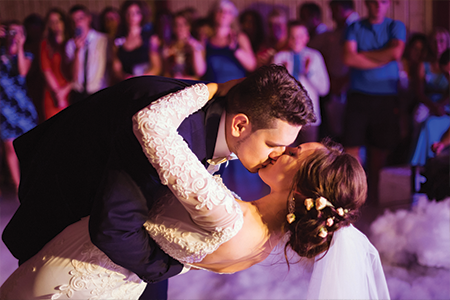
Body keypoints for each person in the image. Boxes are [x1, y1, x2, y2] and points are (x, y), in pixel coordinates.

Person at [1, 75, 389, 300]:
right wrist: (164, 267)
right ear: (240, 126)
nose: (278, 153)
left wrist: (212, 87)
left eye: (288, 151)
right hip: (67, 212)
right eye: (278, 145)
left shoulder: (229, 206)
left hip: (111, 272)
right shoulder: (263, 234)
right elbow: (114, 224)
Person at [342, 0, 406, 204]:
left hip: (386, 96)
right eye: (374, 1)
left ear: (388, 4)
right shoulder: (355, 27)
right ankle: (356, 196)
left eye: (383, 1)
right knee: (352, 148)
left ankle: (376, 196)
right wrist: (382, 57)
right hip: (358, 95)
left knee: (379, 150)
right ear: (367, 4)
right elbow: (349, 58)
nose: (378, 5)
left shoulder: (396, 26)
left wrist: (362, 55)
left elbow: (396, 52)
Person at [308, 0, 359, 142]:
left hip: (351, 85)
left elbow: (357, 59)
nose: (331, 16)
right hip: (335, 86)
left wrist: (345, 80)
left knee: (352, 134)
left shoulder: (357, 28)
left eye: (332, 11)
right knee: (338, 132)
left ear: (339, 8)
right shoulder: (336, 31)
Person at [274, 21, 330, 143]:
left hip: (309, 117)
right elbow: (273, 90)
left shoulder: (314, 57)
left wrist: (309, 73)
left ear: (307, 38)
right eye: (292, 36)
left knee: (307, 155)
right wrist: (286, 74)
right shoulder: (280, 57)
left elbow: (324, 89)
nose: (296, 40)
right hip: (285, 116)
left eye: (300, 36)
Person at [0, 20, 38, 192]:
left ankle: (32, 181)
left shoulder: (26, 55)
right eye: (10, 32)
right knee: (9, 147)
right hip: (4, 107)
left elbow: (22, 72)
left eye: (17, 32)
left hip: (22, 106)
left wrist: (20, 46)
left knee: (30, 145)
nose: (13, 36)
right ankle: (18, 188)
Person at [202, 0, 256, 83]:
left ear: (233, 16)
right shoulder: (206, 38)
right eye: (220, 10)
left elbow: (252, 65)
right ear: (214, 14)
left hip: (236, 88)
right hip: (212, 88)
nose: (224, 14)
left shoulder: (240, 37)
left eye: (228, 12)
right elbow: (200, 70)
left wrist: (235, 49)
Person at [66, 4, 108, 104]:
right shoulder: (70, 44)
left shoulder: (103, 40)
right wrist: (77, 51)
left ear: (88, 19)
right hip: (78, 93)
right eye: (74, 21)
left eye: (81, 18)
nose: (78, 23)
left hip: (99, 92)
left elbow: (109, 68)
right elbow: (74, 76)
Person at [112, 0, 161, 81]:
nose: (132, 16)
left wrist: (140, 79)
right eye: (128, 13)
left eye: (136, 13)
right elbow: (116, 68)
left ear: (142, 15)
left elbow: (157, 67)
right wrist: (124, 77)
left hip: (147, 82)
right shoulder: (118, 39)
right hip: (126, 83)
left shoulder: (151, 38)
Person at [40, 7, 73, 120]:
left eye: (58, 20)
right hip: (53, 94)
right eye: (52, 22)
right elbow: (46, 70)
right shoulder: (46, 44)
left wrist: (65, 91)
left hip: (71, 92)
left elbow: (78, 72)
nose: (56, 24)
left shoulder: (72, 42)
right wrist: (58, 94)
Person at [162, 9, 206, 80]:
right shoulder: (169, 46)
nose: (180, 28)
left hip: (191, 84)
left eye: (184, 24)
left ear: (189, 26)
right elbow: (166, 72)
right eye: (177, 25)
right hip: (173, 83)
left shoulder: (196, 45)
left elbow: (199, 72)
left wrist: (194, 49)